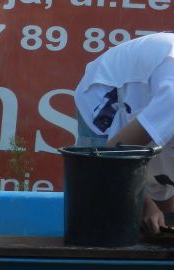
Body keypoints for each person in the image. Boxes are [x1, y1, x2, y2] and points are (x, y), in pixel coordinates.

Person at [74, 32, 174, 235]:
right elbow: (109, 158)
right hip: (106, 91)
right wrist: (143, 204)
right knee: (105, 198)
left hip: (151, 86)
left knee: (162, 215)